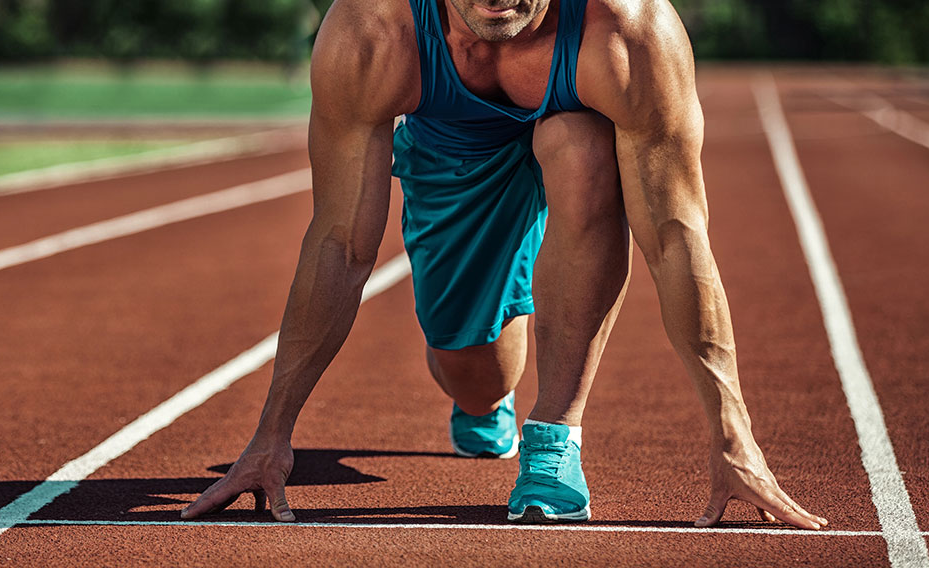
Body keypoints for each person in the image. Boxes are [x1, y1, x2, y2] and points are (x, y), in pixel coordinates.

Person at [182, 0, 827, 529]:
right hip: (454, 152)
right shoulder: (373, 31)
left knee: (581, 149)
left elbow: (675, 236)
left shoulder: (628, 34)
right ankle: (487, 397)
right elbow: (342, 243)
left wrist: (731, 432)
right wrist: (272, 434)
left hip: (577, 119)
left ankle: (554, 441)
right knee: (478, 375)